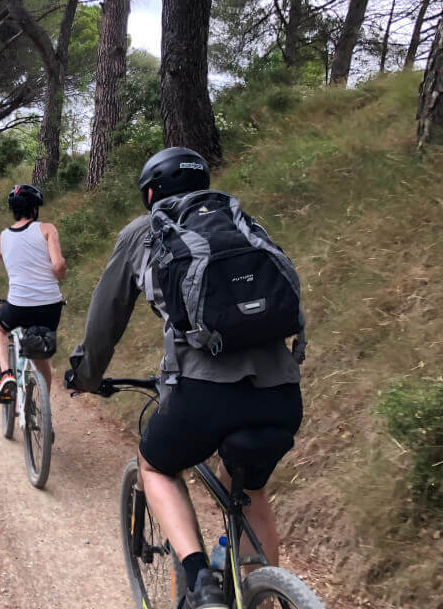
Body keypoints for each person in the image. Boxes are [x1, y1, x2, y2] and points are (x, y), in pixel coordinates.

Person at [65, 147, 305, 609]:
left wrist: (88, 374)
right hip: (281, 392)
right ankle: (265, 596)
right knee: (249, 486)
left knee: (155, 466)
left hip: (203, 392)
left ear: (150, 193)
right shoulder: (241, 222)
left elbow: (105, 317)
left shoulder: (143, 232)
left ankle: (201, 582)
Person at [0, 184, 66, 402]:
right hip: (50, 307)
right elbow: (59, 267)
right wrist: (58, 272)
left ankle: (6, 374)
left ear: (13, 210)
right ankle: (44, 407)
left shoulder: (3, 237)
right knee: (39, 351)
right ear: (35, 210)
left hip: (18, 306)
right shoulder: (47, 229)